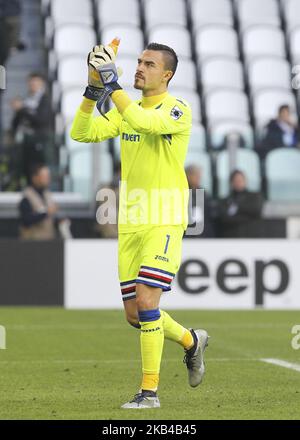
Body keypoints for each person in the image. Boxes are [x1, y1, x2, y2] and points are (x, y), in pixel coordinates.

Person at [70, 40, 209, 409]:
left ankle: (149, 393)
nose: (139, 68)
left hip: (164, 216)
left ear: (167, 75)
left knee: (148, 299)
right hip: (131, 221)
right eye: (138, 61)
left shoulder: (177, 110)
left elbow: (144, 122)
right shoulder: (125, 109)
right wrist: (92, 89)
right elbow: (81, 133)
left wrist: (111, 83)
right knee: (136, 315)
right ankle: (192, 341)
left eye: (149, 64)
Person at [10, 72, 52, 182]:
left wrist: (22, 109)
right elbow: (17, 122)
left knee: (38, 170)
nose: (32, 85)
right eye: (30, 82)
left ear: (41, 83)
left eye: (35, 82)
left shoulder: (45, 100)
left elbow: (41, 120)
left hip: (39, 141)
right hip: (25, 142)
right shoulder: (27, 99)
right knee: (26, 170)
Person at [218, 170, 263, 238]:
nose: (238, 183)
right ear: (231, 183)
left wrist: (237, 208)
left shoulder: (255, 196)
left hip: (251, 237)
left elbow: (256, 211)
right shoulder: (225, 200)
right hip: (230, 237)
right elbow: (225, 218)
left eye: (240, 180)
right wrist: (248, 216)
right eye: (236, 180)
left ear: (245, 181)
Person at [19, 164, 58, 240]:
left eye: (48, 176)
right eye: (44, 176)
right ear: (35, 178)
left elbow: (50, 219)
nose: (48, 179)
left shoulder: (47, 195)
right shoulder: (27, 197)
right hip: (32, 244)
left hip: (49, 242)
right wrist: (46, 213)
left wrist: (59, 220)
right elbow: (26, 220)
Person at [185, 164, 215, 238]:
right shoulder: (182, 193)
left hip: (203, 236)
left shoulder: (205, 194)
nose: (199, 178)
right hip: (186, 236)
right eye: (196, 175)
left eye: (199, 176)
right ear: (188, 176)